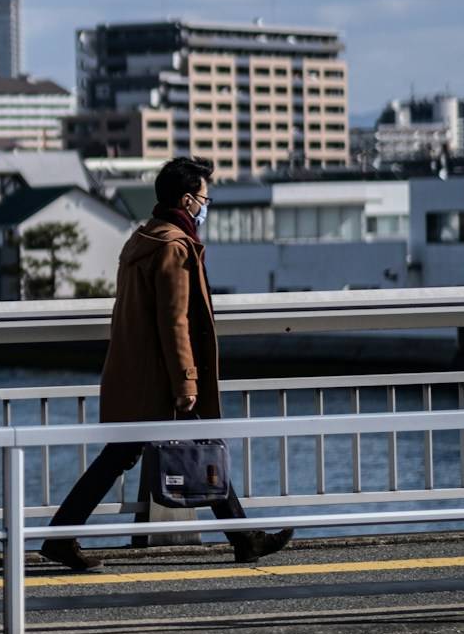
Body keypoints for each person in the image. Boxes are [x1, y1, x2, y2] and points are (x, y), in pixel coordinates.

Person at [40, 155, 293, 572]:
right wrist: (187, 380)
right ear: (188, 200)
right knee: (187, 448)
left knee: (152, 451)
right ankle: (60, 537)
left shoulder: (144, 237)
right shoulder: (175, 246)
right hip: (160, 379)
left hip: (136, 372)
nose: (206, 206)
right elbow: (175, 320)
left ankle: (245, 538)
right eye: (205, 199)